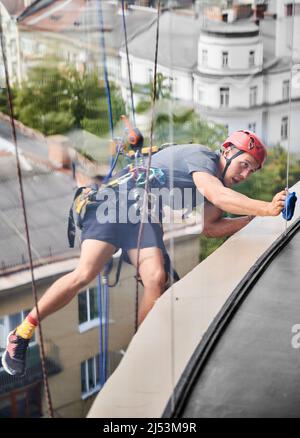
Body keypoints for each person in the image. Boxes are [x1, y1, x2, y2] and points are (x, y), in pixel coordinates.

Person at [2, 130, 287, 377]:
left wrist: (257, 219)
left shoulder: (216, 184)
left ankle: (140, 350)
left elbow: (210, 227)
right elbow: (217, 196)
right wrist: (265, 208)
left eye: (252, 171)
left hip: (141, 214)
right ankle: (22, 333)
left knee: (156, 277)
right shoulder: (204, 159)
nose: (246, 174)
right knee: (85, 273)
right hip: (115, 202)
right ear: (227, 150)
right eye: (245, 164)